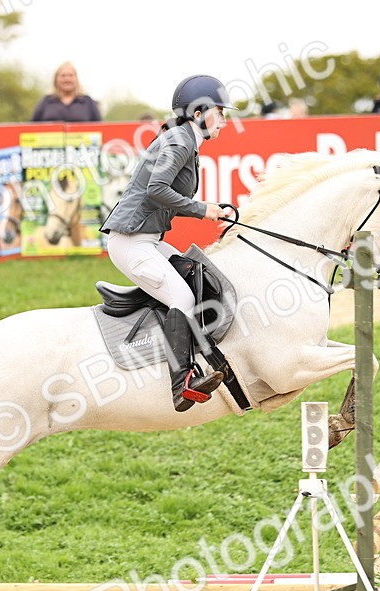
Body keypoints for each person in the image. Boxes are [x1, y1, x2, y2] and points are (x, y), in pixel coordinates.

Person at [100, 74, 234, 412]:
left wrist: (208, 209)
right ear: (200, 112)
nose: (226, 120)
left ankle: (201, 355)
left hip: (147, 240)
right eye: (221, 111)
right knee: (183, 296)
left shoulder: (186, 139)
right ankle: (182, 384)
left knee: (197, 275)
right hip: (132, 242)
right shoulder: (179, 141)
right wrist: (204, 211)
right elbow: (156, 189)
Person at [30, 61, 102, 123]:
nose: (67, 79)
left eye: (71, 75)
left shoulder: (87, 102)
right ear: (56, 79)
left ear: (76, 79)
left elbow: (100, 128)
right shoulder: (46, 101)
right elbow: (32, 127)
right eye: (63, 76)